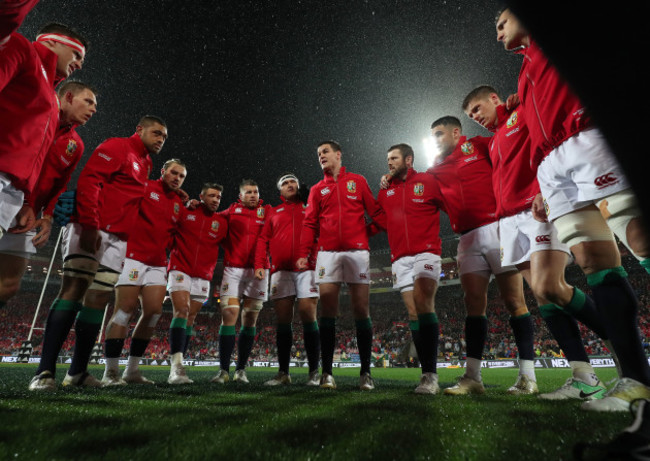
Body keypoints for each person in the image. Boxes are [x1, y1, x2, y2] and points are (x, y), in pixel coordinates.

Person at [497, 7, 650, 411]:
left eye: (502, 22)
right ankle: (636, 379)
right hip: (551, 169)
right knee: (593, 263)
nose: (498, 33)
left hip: (588, 141)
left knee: (639, 238)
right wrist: (540, 179)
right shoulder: (524, 74)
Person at [462, 85, 616, 401]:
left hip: (536, 209)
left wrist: (544, 189)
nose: (475, 117)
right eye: (470, 115)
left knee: (550, 287)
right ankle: (584, 377)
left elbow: (548, 144)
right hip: (507, 222)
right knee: (544, 298)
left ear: (494, 99)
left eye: (477, 109)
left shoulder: (523, 113)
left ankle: (624, 347)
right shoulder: (491, 143)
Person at [28, 115, 168, 391]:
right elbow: (90, 180)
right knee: (73, 290)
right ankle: (44, 372)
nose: (160, 139)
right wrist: (90, 225)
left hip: (117, 238)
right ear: (138, 129)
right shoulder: (117, 147)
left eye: (164, 136)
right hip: (91, 227)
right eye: (156, 133)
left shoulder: (147, 163)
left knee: (98, 299)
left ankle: (77, 372)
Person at [424, 116, 538, 395]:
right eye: (433, 136)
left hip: (498, 229)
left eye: (440, 134)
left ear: (456, 132)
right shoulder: (434, 168)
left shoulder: (479, 146)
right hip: (467, 238)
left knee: (514, 302)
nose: (437, 140)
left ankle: (528, 377)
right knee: (473, 305)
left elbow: (511, 156)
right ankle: (472, 377)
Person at [0, 81, 97, 308]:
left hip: (29, 215)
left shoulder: (76, 145)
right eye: (88, 101)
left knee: (9, 285)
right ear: (69, 97)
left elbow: (60, 184)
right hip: (5, 195)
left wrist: (49, 216)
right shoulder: (35, 113)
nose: (93, 109)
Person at [297, 140, 382, 390]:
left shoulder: (358, 180)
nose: (321, 155)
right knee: (328, 311)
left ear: (338, 155)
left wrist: (366, 233)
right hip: (327, 255)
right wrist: (303, 252)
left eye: (325, 151)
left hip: (357, 253)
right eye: (318, 153)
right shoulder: (316, 190)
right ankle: (327, 374)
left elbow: (376, 212)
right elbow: (310, 224)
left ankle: (366, 372)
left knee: (360, 309)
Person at [100, 159, 187, 386]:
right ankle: (110, 372)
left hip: (158, 263)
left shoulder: (179, 203)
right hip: (132, 257)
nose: (177, 178)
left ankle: (132, 371)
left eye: (182, 176)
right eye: (174, 173)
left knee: (154, 312)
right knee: (124, 311)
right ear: (163, 172)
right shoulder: (145, 187)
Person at [0, 22, 86, 241]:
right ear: (53, 41)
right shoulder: (21, 47)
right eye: (76, 54)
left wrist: (26, 199)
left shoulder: (50, 94)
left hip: (13, 190)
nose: (79, 64)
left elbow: (34, 156)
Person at [374, 144, 444, 394]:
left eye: (394, 158)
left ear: (409, 159)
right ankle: (426, 375)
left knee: (424, 303)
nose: (389, 163)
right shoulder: (385, 191)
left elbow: (449, 202)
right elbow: (381, 222)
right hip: (399, 258)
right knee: (414, 312)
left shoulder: (427, 180)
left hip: (427, 251)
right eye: (387, 159)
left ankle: (432, 375)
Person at [253, 173, 320, 386]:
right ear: (280, 190)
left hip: (307, 269)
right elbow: (263, 239)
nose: (290, 185)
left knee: (309, 315)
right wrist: (259, 265)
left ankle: (314, 373)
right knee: (283, 320)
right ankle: (283, 373)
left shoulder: (310, 206)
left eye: (293, 182)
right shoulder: (273, 211)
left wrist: (313, 257)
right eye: (285, 183)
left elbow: (319, 233)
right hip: (280, 271)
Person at [165, 183, 228, 384]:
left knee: (190, 318)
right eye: (211, 195)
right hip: (180, 267)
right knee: (181, 311)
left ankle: (179, 365)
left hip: (203, 275)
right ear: (201, 196)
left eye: (218, 197)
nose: (215, 200)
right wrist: (184, 201)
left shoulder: (221, 222)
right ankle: (175, 367)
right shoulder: (186, 212)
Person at [212, 179, 271, 384]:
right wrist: (196, 205)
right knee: (229, 314)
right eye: (248, 192)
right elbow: (210, 218)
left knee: (250, 320)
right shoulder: (230, 211)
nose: (253, 195)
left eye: (255, 191)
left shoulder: (267, 212)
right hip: (233, 269)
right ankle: (223, 371)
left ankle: (241, 370)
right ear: (240, 195)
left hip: (260, 271)